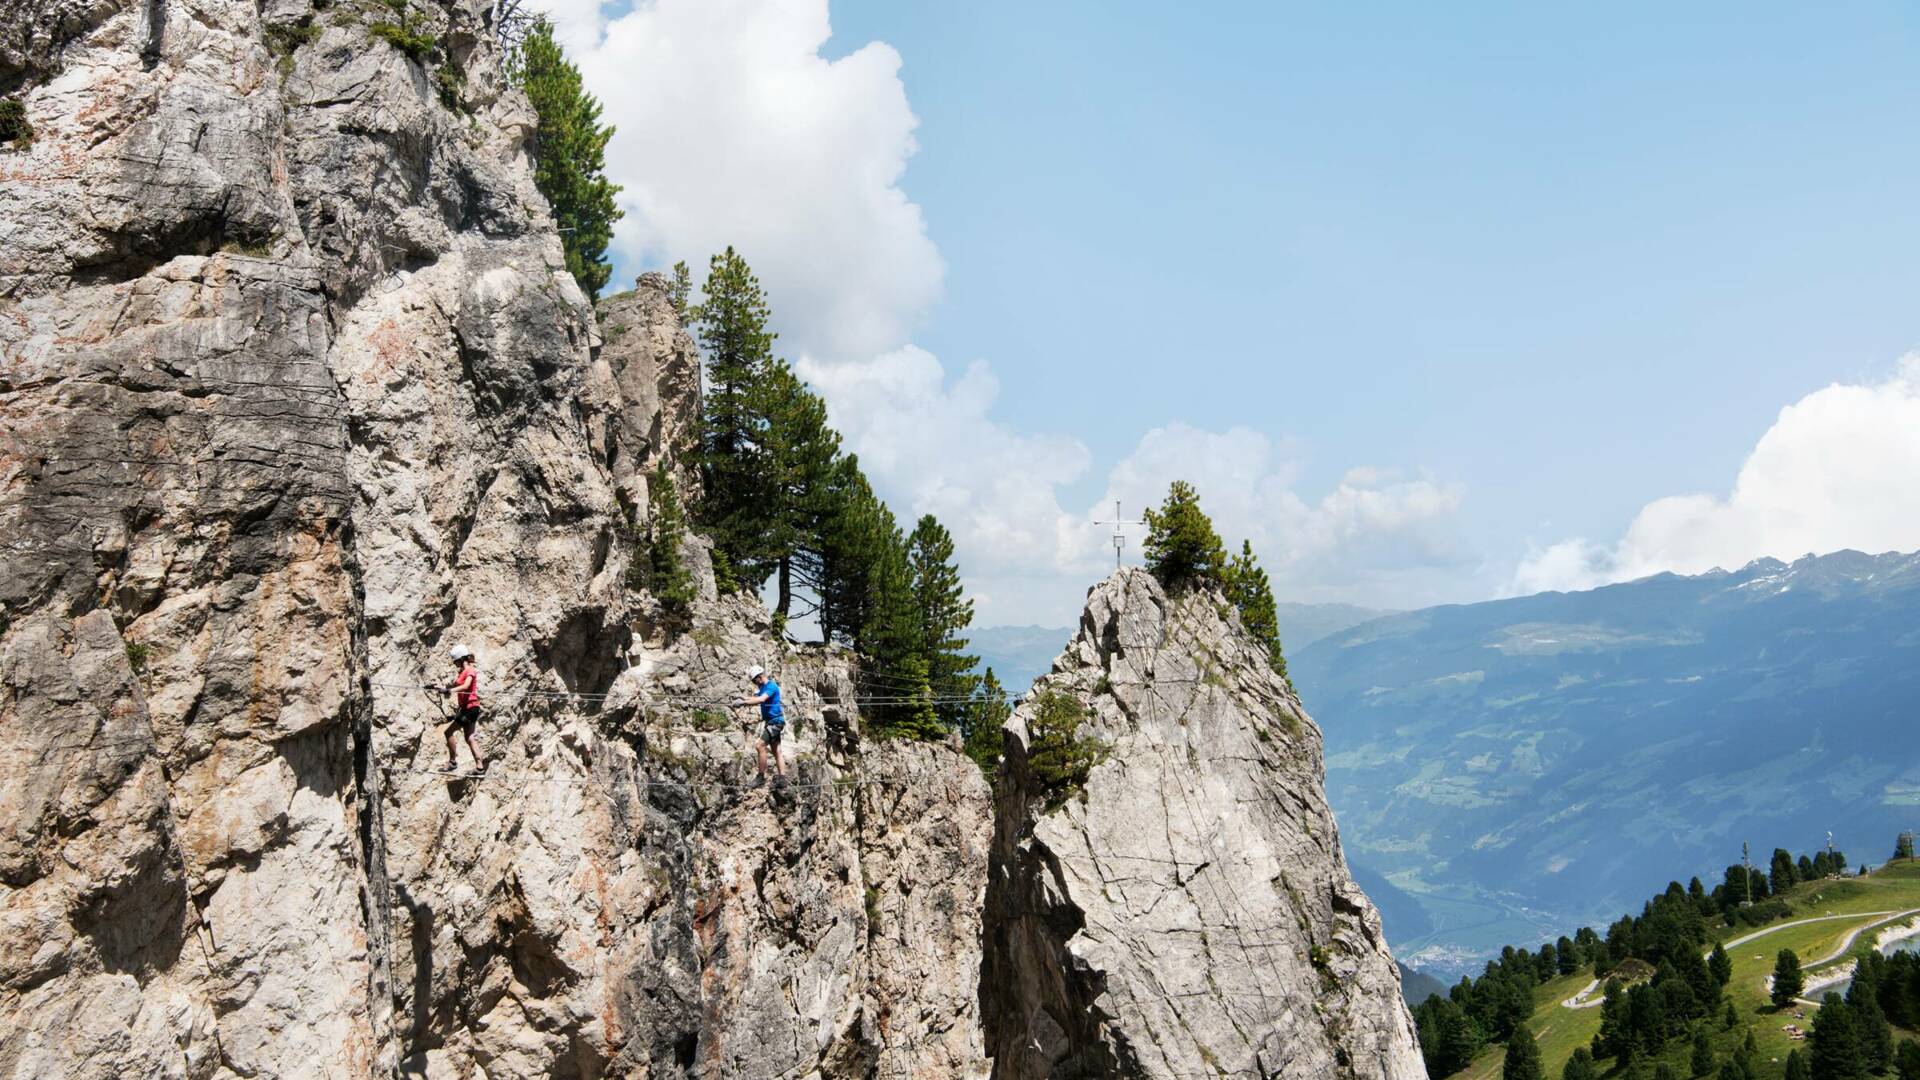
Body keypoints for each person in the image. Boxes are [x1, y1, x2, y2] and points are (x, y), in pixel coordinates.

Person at [732, 664, 785, 786]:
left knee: (760, 745)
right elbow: (755, 697)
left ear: (759, 677)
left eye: (755, 680)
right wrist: (741, 698)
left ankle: (761, 777)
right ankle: (783, 778)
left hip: (776, 722)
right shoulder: (763, 687)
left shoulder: (771, 686)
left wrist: (743, 703)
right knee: (776, 750)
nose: (755, 683)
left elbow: (761, 699)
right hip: (772, 722)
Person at [437, 645, 486, 774]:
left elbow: (466, 686)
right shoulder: (462, 672)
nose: (454, 664)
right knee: (469, 737)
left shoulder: (470, 670)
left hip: (469, 708)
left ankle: (452, 762)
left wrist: (449, 691)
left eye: (455, 661)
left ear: (460, 659)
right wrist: (438, 687)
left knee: (448, 733)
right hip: (470, 708)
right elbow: (453, 684)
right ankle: (480, 767)